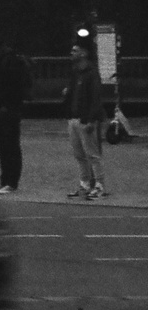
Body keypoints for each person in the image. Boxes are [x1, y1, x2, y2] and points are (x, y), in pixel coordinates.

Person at [0, 34, 30, 194]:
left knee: (10, 146)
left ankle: (11, 181)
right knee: (3, 146)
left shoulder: (10, 61)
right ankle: (4, 180)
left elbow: (14, 86)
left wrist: (7, 104)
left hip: (8, 109)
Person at [65, 39, 107, 200]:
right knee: (79, 154)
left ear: (83, 53)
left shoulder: (90, 72)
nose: (72, 53)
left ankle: (99, 185)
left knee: (92, 154)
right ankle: (85, 184)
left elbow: (95, 98)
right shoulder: (76, 72)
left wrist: (91, 119)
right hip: (74, 117)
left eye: (75, 51)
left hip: (85, 119)